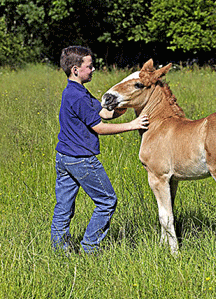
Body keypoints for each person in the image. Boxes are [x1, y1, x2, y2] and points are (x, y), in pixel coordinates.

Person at [51, 46, 149, 254]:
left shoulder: (75, 91)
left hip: (64, 158)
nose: (94, 69)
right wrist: (132, 125)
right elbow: (99, 127)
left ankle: (60, 252)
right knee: (107, 201)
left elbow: (103, 114)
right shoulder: (77, 97)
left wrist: (122, 108)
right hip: (81, 160)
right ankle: (89, 248)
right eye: (89, 66)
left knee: (63, 207)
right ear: (76, 69)